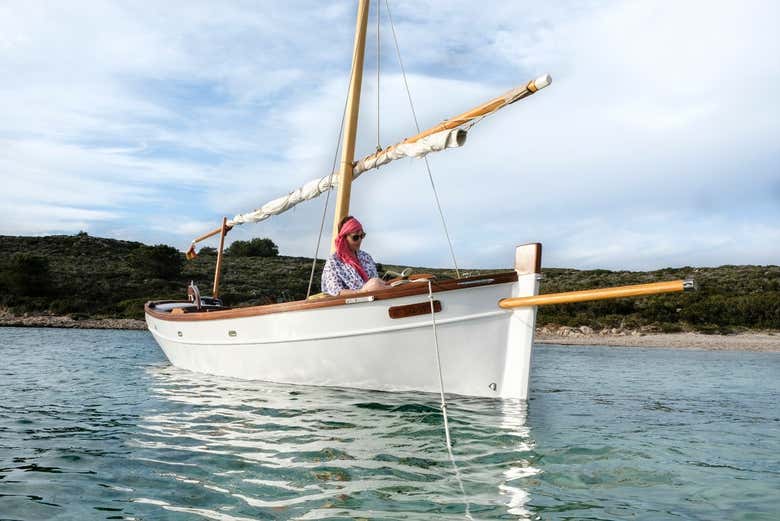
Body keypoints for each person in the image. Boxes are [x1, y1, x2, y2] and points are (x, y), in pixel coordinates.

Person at [321, 216, 388, 296]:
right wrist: (362, 291)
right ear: (344, 238)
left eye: (362, 235)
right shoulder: (333, 261)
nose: (360, 240)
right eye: (355, 237)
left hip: (374, 299)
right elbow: (336, 292)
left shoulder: (366, 257)